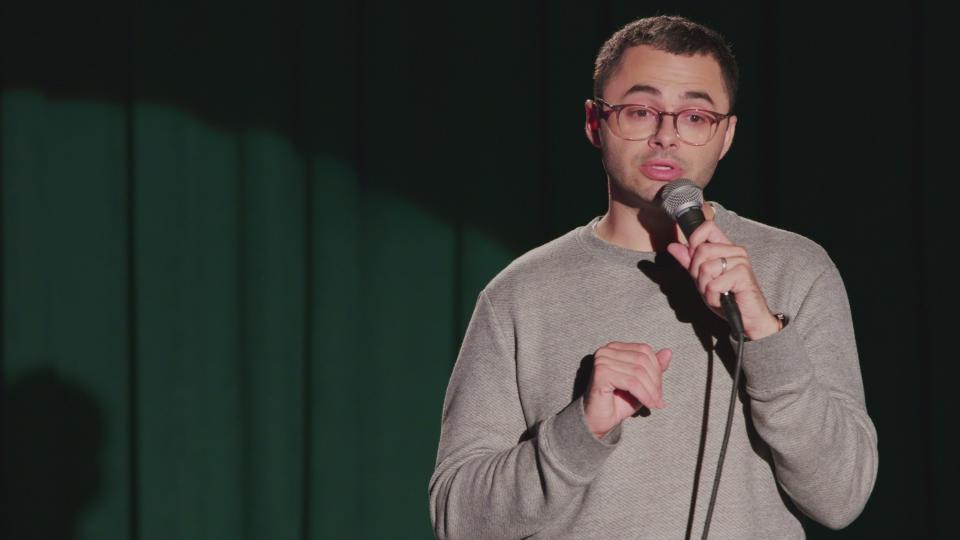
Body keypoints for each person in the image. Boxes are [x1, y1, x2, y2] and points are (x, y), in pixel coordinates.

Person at [428, 15, 877, 539]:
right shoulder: (518, 295)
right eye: (641, 111)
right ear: (596, 122)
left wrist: (765, 335)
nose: (666, 136)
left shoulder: (796, 269)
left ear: (725, 134)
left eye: (695, 117)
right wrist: (582, 428)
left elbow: (841, 497)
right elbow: (457, 519)